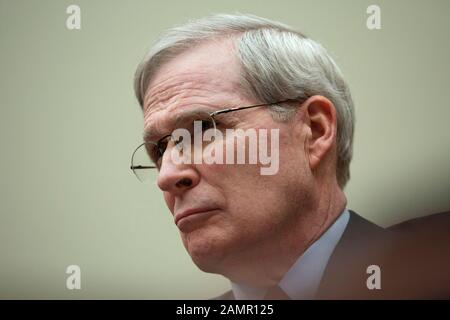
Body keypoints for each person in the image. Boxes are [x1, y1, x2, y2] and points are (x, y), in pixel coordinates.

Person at [131, 13, 450, 299]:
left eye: (203, 129)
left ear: (314, 130)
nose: (166, 176)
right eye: (159, 149)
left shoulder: (432, 273)